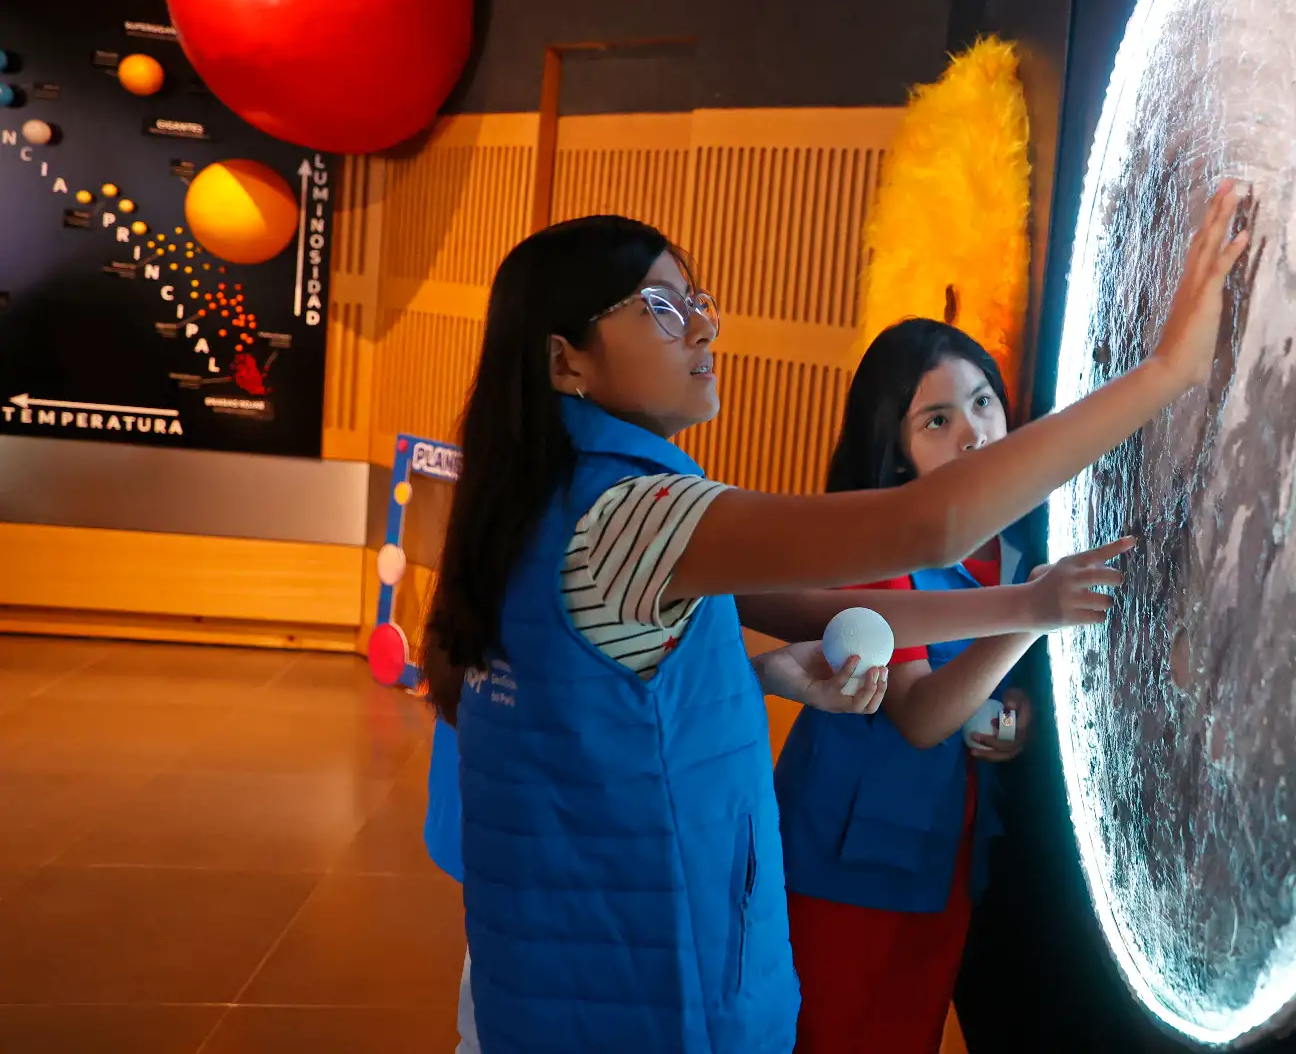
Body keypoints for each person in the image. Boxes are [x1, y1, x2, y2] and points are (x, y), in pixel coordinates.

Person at [424, 182, 1246, 1053]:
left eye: (697, 302)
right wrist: (1167, 374)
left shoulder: (542, 498)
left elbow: (606, 690)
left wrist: (1023, 605)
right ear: (567, 362)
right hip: (639, 986)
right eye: (660, 309)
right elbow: (928, 526)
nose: (704, 328)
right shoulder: (635, 513)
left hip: (559, 963)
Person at [776, 318, 1056, 1053]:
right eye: (938, 419)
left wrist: (1017, 711)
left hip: (947, 858)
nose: (974, 431)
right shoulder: (879, 549)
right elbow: (922, 715)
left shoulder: (1018, 543)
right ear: (895, 449)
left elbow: (985, 693)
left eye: (984, 401)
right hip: (842, 863)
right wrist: (1030, 616)